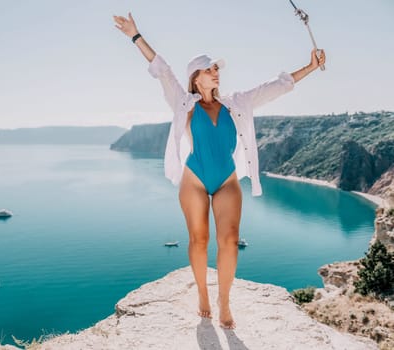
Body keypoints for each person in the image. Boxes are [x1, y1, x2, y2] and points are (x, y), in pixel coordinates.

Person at [113, 12, 326, 329]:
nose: (216, 73)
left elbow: (276, 87)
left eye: (217, 69)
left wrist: (311, 66)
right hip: (194, 178)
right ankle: (202, 294)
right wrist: (135, 35)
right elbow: (162, 70)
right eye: (210, 69)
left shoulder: (236, 103)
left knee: (229, 240)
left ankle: (224, 301)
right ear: (196, 77)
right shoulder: (183, 102)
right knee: (199, 240)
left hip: (226, 179)